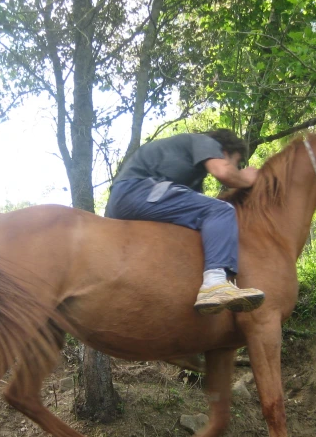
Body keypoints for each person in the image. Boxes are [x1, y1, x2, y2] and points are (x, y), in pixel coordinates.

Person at [105, 129, 265, 315]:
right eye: (236, 163)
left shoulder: (190, 175)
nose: (236, 168)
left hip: (126, 199)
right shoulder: (205, 141)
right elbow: (223, 172)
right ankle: (215, 284)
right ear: (225, 153)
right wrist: (246, 177)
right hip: (137, 190)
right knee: (220, 210)